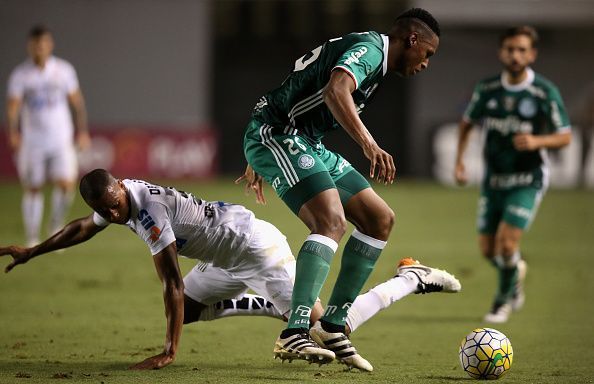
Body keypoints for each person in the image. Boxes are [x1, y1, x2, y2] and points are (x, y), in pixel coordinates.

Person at [0, 169, 461, 370]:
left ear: (122, 187)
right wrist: (32, 251)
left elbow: (173, 285)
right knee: (195, 312)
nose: (113, 214)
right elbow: (84, 226)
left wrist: (168, 351)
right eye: (107, 209)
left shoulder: (149, 212)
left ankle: (410, 278)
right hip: (224, 255)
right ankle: (280, 314)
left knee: (327, 329)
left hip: (255, 248)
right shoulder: (118, 200)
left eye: (116, 205)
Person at [237, 7, 440, 370]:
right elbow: (335, 90)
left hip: (305, 140)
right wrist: (369, 145)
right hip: (279, 134)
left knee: (379, 219)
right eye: (428, 53)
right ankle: (294, 331)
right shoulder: (372, 49)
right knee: (330, 221)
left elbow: (300, 88)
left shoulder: (375, 64)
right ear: (412, 40)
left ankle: (332, 326)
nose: (426, 63)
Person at [454, 26, 571, 323]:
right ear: (501, 52)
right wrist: (459, 162)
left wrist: (537, 141)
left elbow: (565, 136)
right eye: (510, 49)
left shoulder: (544, 92)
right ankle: (515, 272)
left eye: (521, 50)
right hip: (494, 179)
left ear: (532, 54)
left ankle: (502, 302)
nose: (515, 55)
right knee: (487, 250)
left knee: (507, 244)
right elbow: (467, 123)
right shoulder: (488, 88)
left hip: (527, 178)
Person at [5, 24, 90, 247]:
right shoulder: (21, 75)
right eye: (35, 45)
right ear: (29, 47)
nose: (39, 49)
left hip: (61, 139)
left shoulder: (64, 71)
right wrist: (13, 131)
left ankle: (55, 224)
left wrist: (82, 131)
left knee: (66, 184)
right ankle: (32, 237)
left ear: (50, 45)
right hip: (33, 142)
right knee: (33, 187)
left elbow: (77, 103)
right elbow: (13, 106)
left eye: (43, 44)